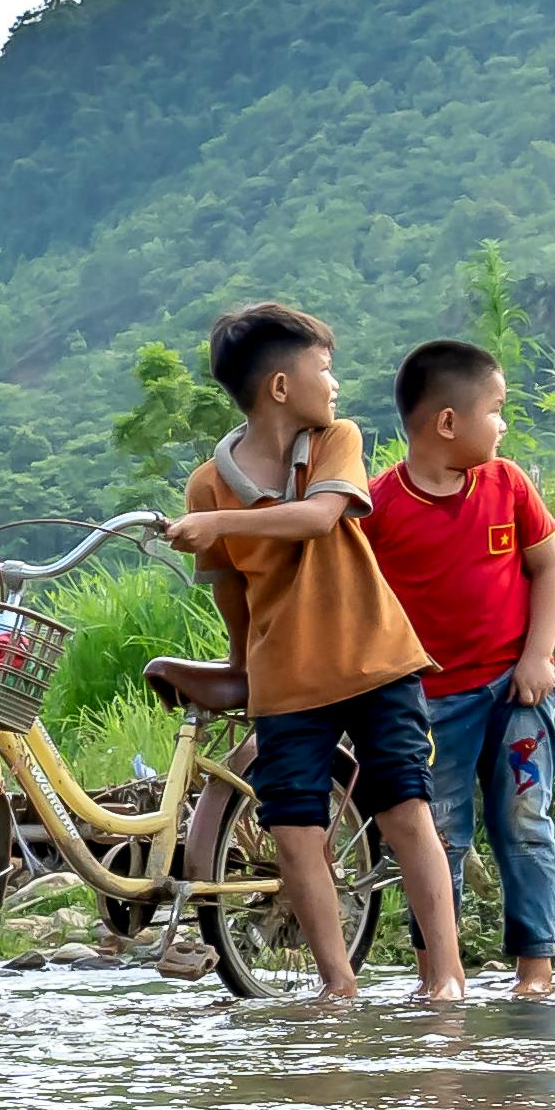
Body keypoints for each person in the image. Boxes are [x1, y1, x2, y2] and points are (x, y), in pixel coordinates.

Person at [166, 299, 469, 1004]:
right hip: (285, 678)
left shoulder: (336, 439)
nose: (333, 384)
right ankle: (338, 984)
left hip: (373, 656)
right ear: (279, 385)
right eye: (323, 368)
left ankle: (447, 976)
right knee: (294, 829)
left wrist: (217, 521)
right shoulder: (207, 480)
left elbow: (318, 517)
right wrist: (242, 663)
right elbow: (231, 591)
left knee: (403, 807)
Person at [372, 339, 555, 999]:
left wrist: (537, 655)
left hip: (516, 690)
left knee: (522, 819)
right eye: (496, 409)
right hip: (430, 705)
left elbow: (548, 571)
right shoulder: (379, 510)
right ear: (447, 422)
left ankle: (534, 971)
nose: (503, 424)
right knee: (439, 835)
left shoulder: (507, 484)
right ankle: (440, 976)